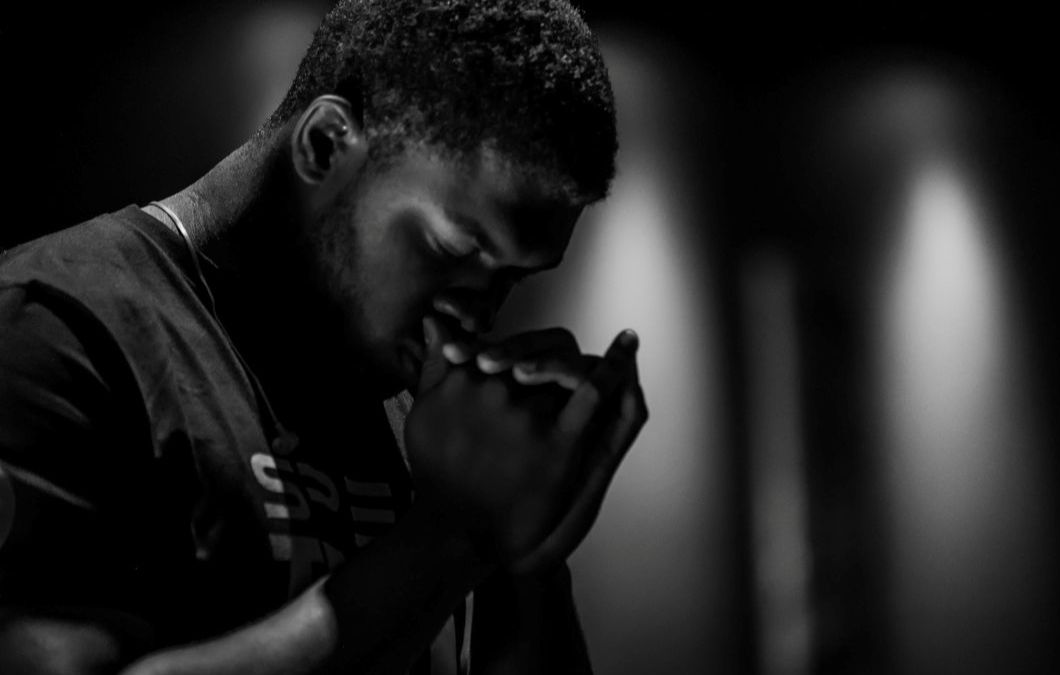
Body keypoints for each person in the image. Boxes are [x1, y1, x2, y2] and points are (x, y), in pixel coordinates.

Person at [0, 0, 647, 672]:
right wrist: (450, 535)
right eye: (453, 252)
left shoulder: (408, 396)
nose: (477, 318)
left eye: (509, 282)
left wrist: (527, 543)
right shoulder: (54, 325)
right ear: (326, 144)